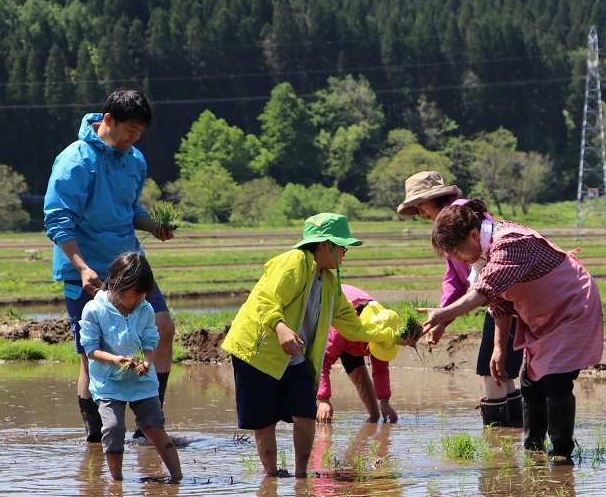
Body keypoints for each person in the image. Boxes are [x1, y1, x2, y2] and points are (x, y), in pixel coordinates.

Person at [221, 213, 412, 478]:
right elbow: (264, 300)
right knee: (264, 420)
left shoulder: (331, 281)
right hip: (258, 351)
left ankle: (301, 475)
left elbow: (353, 325)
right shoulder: (293, 262)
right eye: (342, 246)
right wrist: (280, 327)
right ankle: (272, 475)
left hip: (295, 354)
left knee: (305, 412)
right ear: (324, 244)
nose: (345, 252)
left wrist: (393, 337)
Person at [418, 199, 604, 462]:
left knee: (556, 380)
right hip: (542, 313)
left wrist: (442, 315)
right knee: (531, 382)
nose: (459, 260)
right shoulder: (484, 254)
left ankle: (562, 454)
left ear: (473, 235)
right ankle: (533, 448)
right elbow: (500, 302)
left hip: (571, 306)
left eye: (458, 252)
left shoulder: (510, 242)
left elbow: (483, 292)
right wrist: (499, 348)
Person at [44, 89, 176, 444]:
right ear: (108, 120)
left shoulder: (135, 160)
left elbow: (131, 208)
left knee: (162, 328)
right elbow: (57, 219)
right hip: (86, 268)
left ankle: (149, 425)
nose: (134, 138)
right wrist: (83, 267)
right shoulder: (75, 160)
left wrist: (152, 226)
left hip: (130, 265)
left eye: (140, 132)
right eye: (130, 129)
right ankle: (97, 435)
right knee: (93, 352)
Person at [397, 171, 524, 427]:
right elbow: (454, 279)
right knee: (503, 369)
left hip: (504, 296)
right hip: (497, 297)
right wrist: (442, 319)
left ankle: (496, 443)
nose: (421, 213)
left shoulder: (462, 218)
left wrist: (443, 316)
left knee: (492, 367)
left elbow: (477, 272)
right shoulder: (450, 222)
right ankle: (514, 436)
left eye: (420, 206)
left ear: (436, 199)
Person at [79, 251, 183, 482]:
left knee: (154, 427)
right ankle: (117, 483)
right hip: (108, 381)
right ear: (117, 285)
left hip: (141, 381)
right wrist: (115, 360)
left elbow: (149, 342)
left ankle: (177, 479)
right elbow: (91, 350)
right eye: (134, 294)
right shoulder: (94, 310)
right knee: (114, 428)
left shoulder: (145, 309)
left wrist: (146, 361)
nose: (138, 299)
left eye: (143, 294)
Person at [317, 284, 401, 424]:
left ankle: (373, 417)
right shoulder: (340, 329)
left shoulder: (381, 326)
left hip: (357, 339)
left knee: (361, 378)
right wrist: (324, 399)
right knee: (302, 374)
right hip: (326, 322)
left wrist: (385, 401)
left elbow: (380, 369)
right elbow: (321, 363)